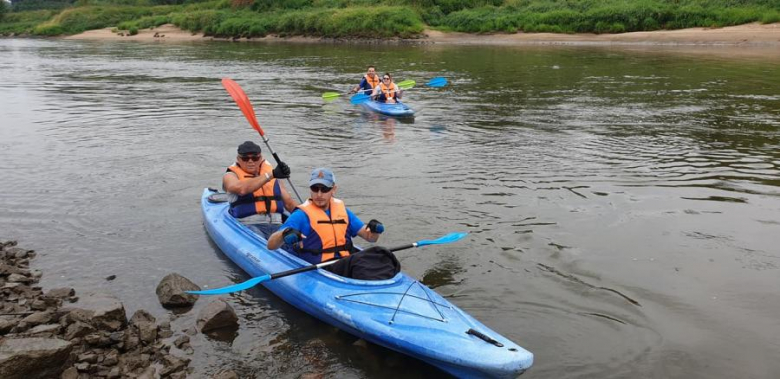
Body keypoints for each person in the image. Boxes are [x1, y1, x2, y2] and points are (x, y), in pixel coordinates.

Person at [267, 168, 399, 279]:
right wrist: (285, 234)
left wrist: (375, 230)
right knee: (365, 261)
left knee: (382, 254)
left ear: (333, 189)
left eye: (324, 189)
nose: (319, 194)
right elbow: (271, 245)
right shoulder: (301, 215)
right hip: (321, 268)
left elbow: (370, 238)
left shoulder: (342, 211)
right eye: (315, 188)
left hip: (344, 264)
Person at [223, 141, 297, 227]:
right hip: (248, 225)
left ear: (260, 158)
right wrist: (271, 174)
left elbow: (289, 204)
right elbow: (241, 189)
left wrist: (309, 215)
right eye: (245, 158)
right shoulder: (230, 175)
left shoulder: (271, 174)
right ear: (238, 159)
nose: (250, 161)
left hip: (276, 224)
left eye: (255, 158)